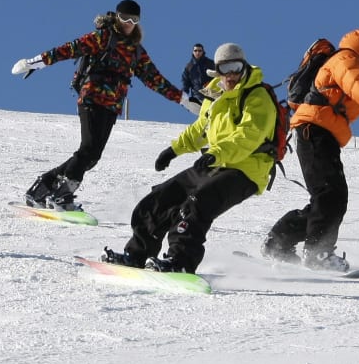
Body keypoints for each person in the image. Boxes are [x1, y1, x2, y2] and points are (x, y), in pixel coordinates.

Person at [101, 42, 277, 273]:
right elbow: (200, 129)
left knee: (196, 204)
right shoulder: (215, 95)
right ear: (217, 71)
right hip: (215, 162)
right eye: (225, 69)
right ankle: (137, 255)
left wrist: (216, 153)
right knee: (160, 199)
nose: (231, 75)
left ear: (244, 67)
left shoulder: (257, 96)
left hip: (247, 169)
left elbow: (248, 136)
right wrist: (174, 150)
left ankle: (180, 262)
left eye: (236, 67)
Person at [11, 0, 196, 211]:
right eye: (124, 18)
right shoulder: (103, 37)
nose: (128, 23)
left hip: (112, 106)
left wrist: (183, 99)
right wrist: (35, 62)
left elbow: (155, 80)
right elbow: (70, 49)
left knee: (92, 157)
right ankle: (62, 195)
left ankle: (43, 187)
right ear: (116, 17)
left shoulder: (136, 51)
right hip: (91, 98)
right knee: (88, 149)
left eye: (133, 20)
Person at [261, 27, 359, 271]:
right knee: (330, 195)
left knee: (330, 197)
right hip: (314, 129)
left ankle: (278, 243)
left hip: (321, 132)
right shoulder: (346, 59)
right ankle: (317, 253)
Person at [181, 43, 215, 108]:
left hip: (210, 92)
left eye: (199, 51)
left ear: (203, 52)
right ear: (193, 52)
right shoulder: (189, 67)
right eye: (195, 51)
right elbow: (185, 83)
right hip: (197, 96)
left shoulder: (210, 63)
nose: (197, 53)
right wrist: (183, 97)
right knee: (201, 111)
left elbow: (218, 76)